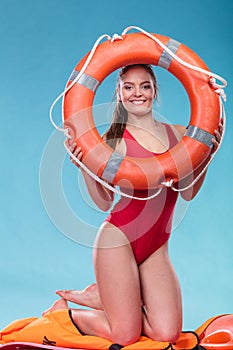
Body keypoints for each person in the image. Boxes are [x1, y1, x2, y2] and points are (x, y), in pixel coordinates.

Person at [43, 64, 222, 346]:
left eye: (145, 86)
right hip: (118, 240)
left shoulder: (180, 135)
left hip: (157, 246)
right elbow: (103, 202)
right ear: (120, 93)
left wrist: (208, 153)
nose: (137, 93)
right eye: (129, 87)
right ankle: (70, 314)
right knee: (123, 335)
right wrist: (83, 167)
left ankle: (107, 297)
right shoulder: (113, 142)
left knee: (167, 334)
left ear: (154, 91)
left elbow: (187, 193)